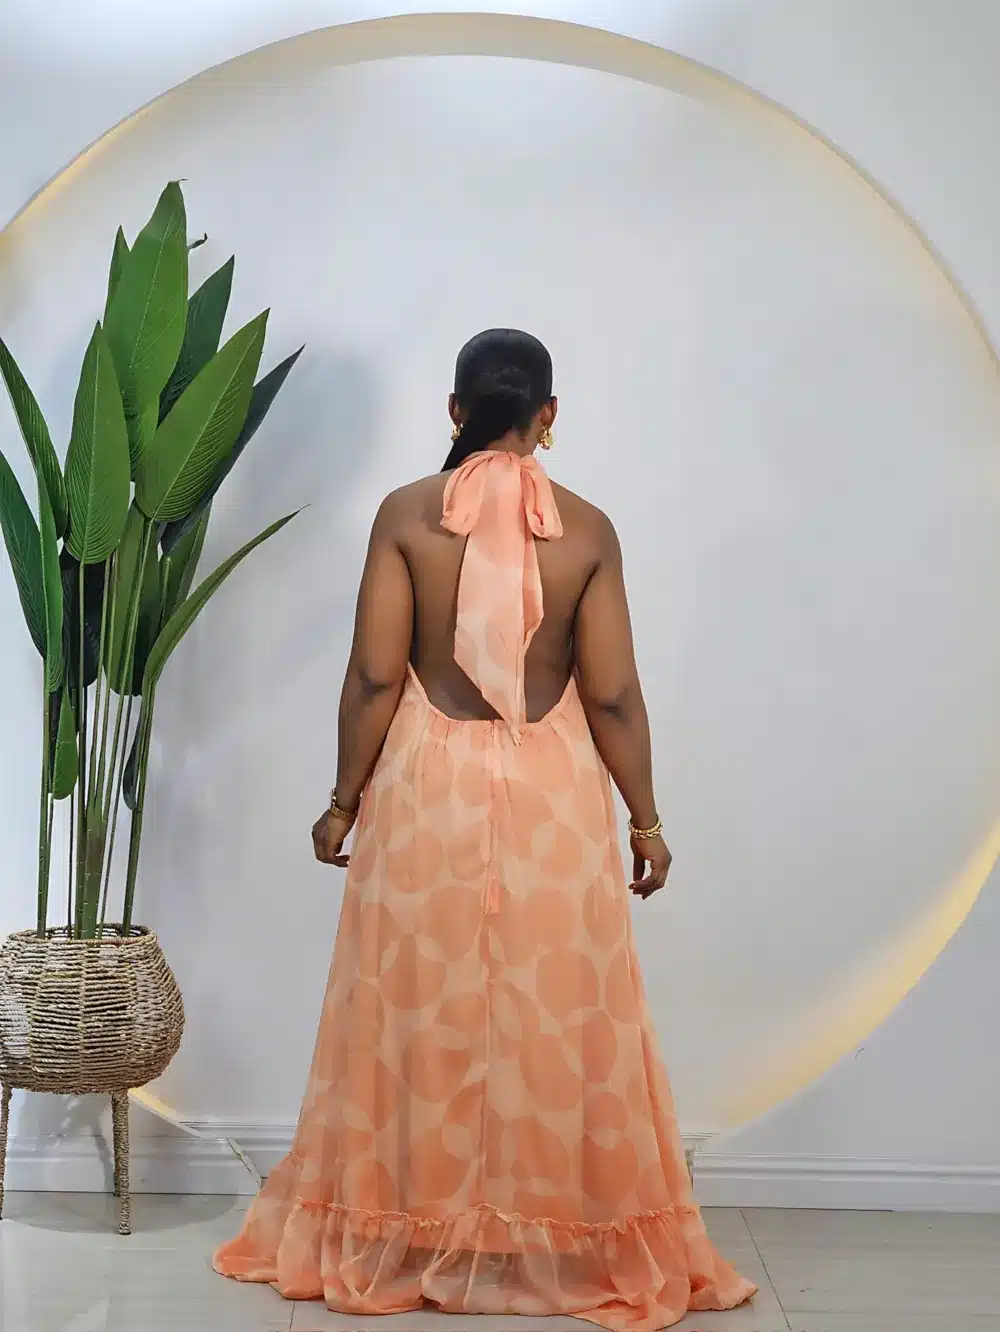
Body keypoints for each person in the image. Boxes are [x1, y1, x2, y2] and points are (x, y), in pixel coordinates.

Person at [214, 329, 756, 1329]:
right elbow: (613, 693)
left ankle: (402, 1228)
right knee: (556, 1010)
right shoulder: (588, 530)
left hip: (426, 785)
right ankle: (548, 1231)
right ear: (548, 416)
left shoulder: (404, 517)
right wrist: (645, 820)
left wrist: (342, 801)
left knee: (415, 1007)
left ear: (456, 411)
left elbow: (376, 675)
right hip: (555, 795)